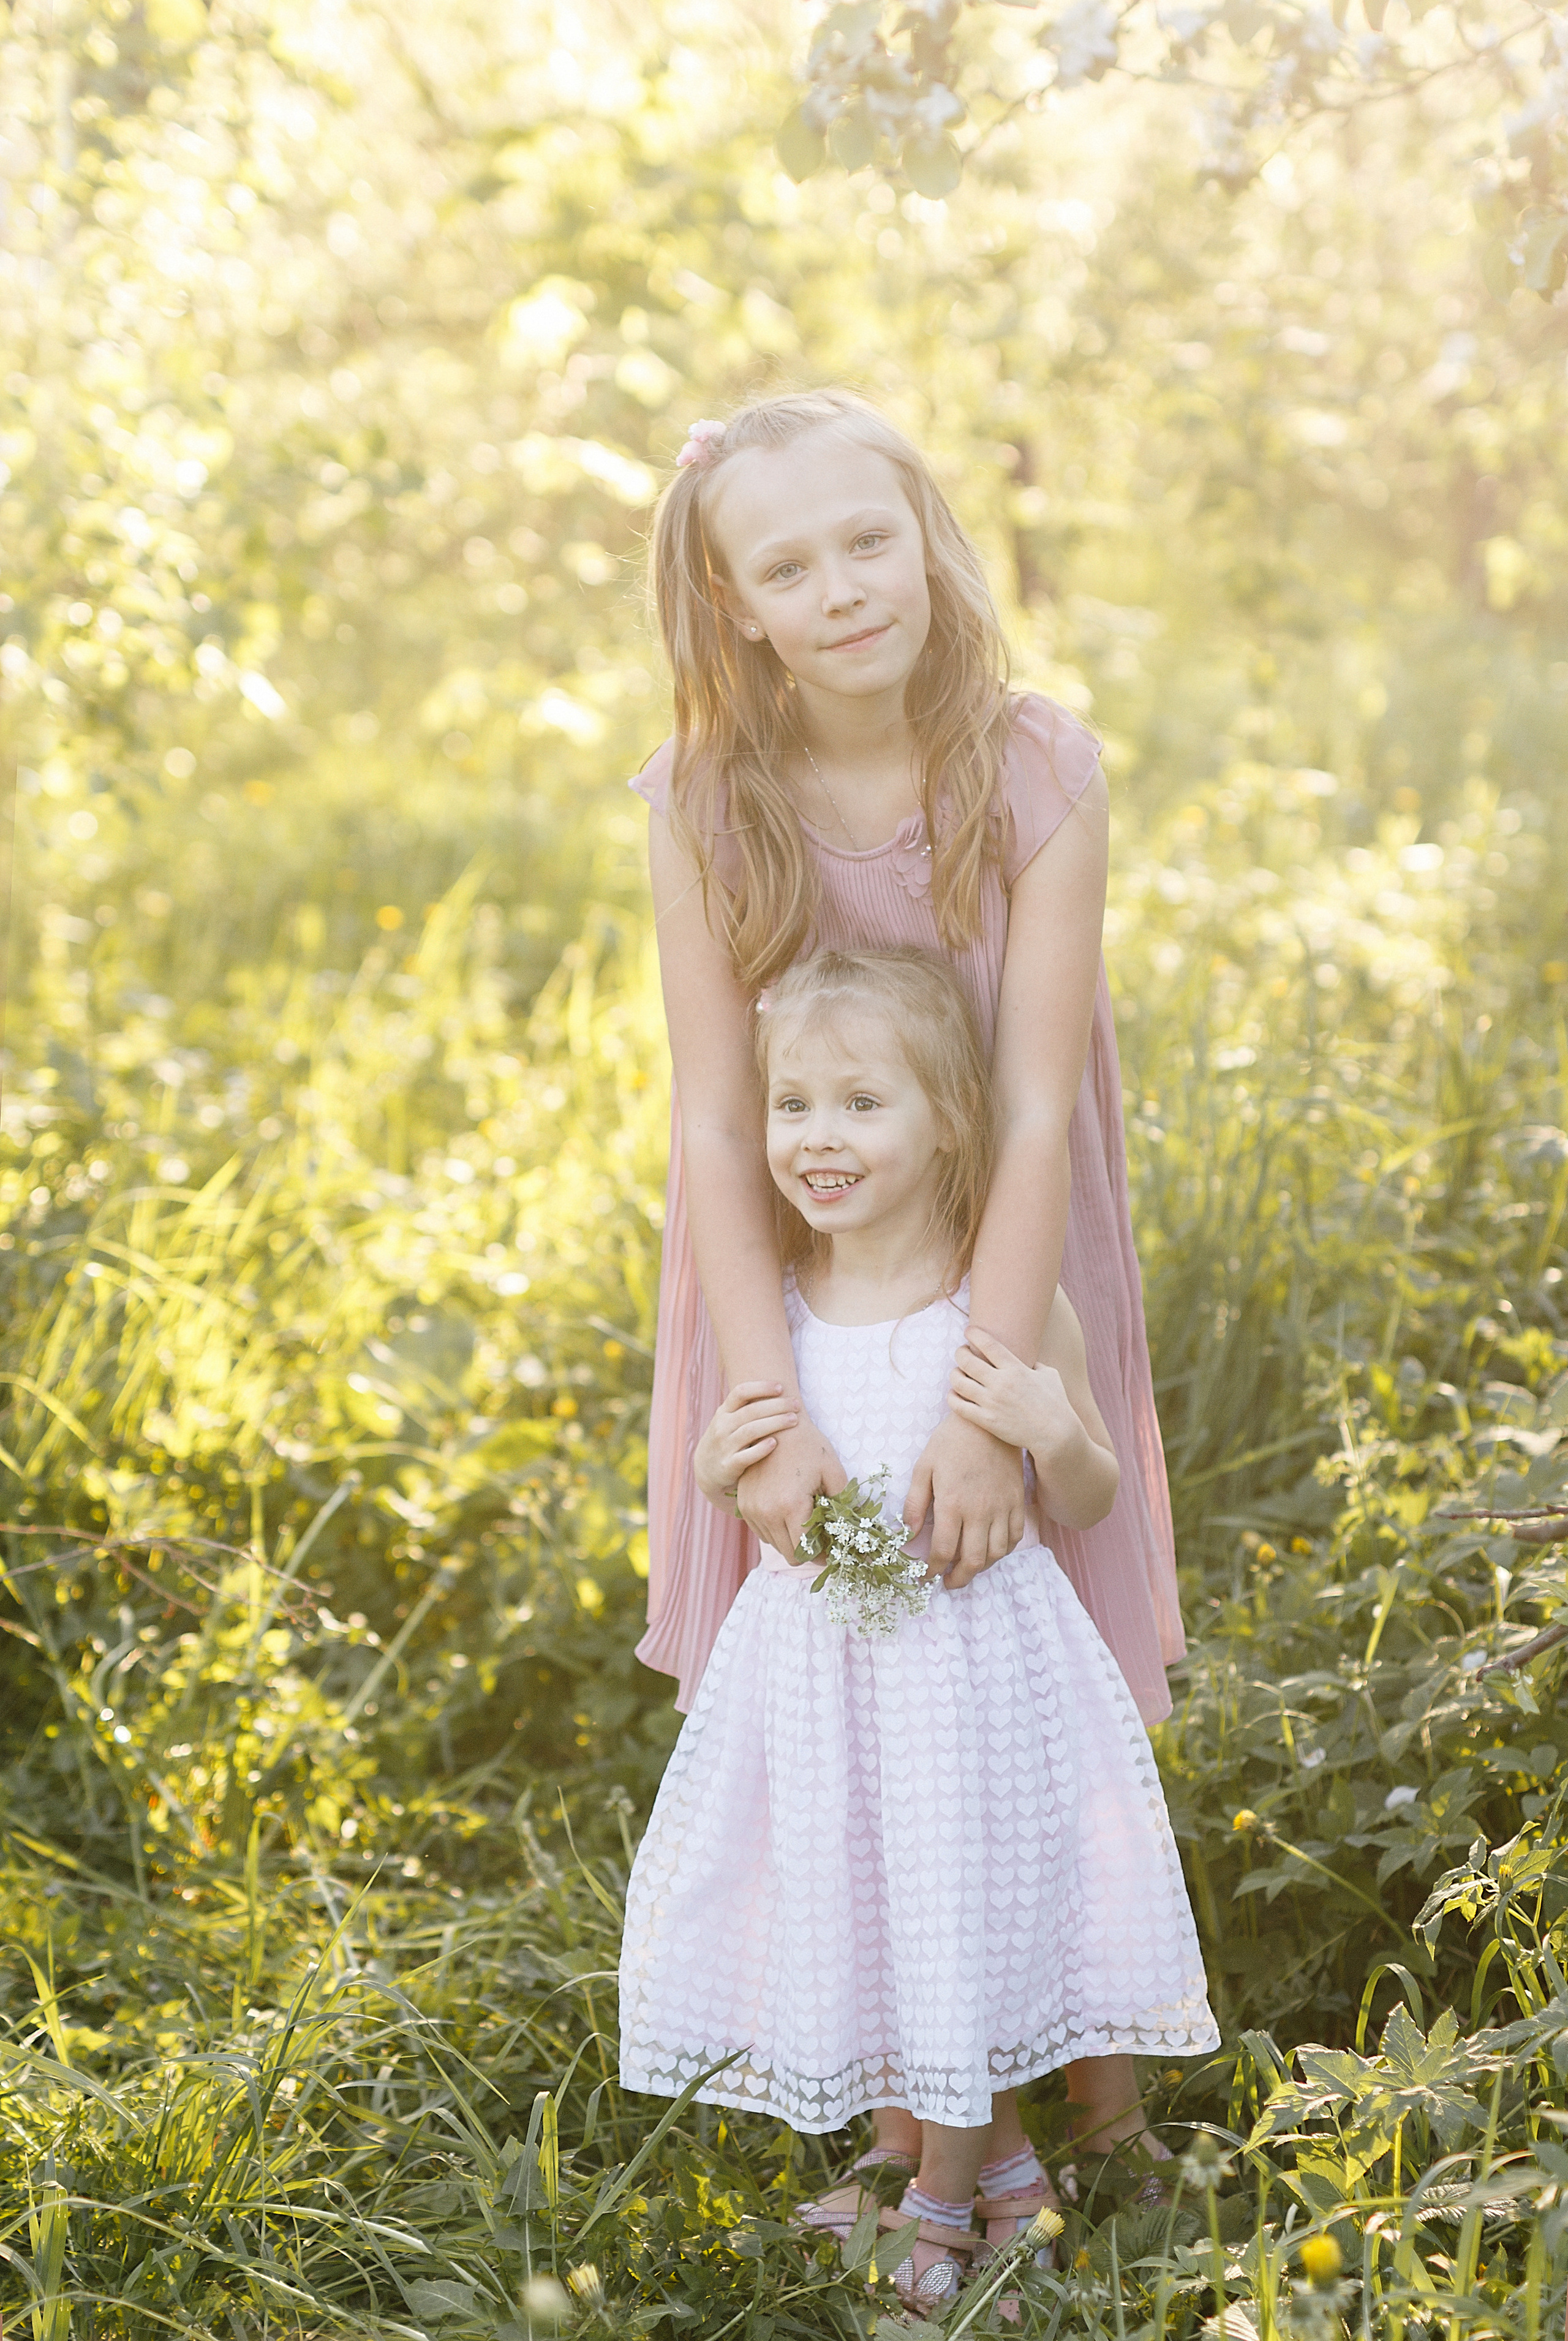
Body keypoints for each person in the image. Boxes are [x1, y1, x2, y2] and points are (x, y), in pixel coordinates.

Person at [630, 386, 1186, 2164]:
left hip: (1015, 1259)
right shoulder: (704, 795)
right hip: (790, 1291)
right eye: (788, 563)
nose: (844, 585)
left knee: (1033, 1623)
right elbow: (720, 1132)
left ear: (927, 536)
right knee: (842, 1641)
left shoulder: (1035, 767)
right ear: (734, 602)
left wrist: (983, 1398)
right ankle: (901, 2070)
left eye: (869, 537)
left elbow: (1032, 1106)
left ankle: (1093, 2076)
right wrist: (764, 1400)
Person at [617, 951, 1218, 2313]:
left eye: (860, 1103)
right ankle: (975, 2168)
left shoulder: (993, 1313)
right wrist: (719, 1467)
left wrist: (1048, 1432)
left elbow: (1087, 1497)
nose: (817, 1138)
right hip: (829, 1690)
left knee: (968, 1908)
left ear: (949, 1118)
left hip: (975, 1681)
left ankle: (942, 2196)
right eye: (791, 1105)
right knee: (878, 1904)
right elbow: (743, 1489)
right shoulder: (770, 1317)